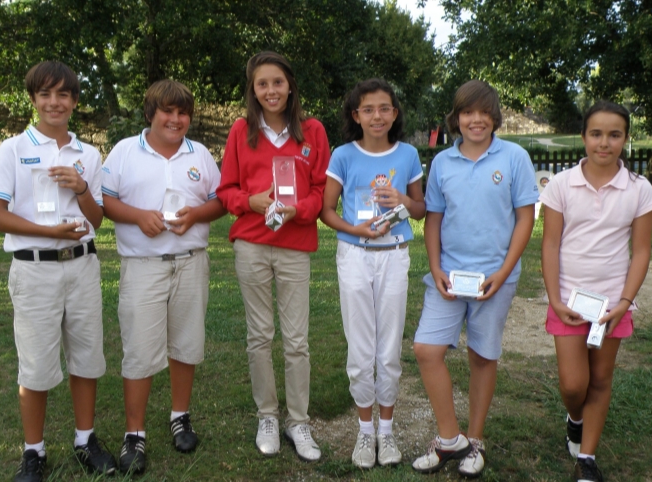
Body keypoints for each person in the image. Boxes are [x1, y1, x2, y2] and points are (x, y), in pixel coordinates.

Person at [0, 60, 116, 482]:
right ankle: (33, 452)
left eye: (63, 95)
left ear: (75, 101)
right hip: (34, 270)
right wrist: (45, 230)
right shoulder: (13, 149)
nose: (54, 102)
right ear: (34, 99)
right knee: (36, 365)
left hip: (81, 266)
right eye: (45, 94)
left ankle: (85, 440)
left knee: (87, 358)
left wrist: (81, 188)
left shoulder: (88, 154)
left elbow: (97, 219)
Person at [411, 80, 539, 477]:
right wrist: (435, 267)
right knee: (426, 350)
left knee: (482, 356)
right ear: (457, 117)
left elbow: (525, 218)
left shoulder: (514, 157)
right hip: (447, 277)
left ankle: (476, 441)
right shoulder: (443, 163)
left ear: (495, 117)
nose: (476, 120)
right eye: (468, 112)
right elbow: (433, 218)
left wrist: (502, 273)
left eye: (484, 112)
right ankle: (451, 440)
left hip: (494, 279)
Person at [102, 79, 226, 474]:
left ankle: (179, 416)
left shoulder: (201, 154)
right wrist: (138, 216)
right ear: (151, 114)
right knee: (139, 350)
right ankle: (134, 435)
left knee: (185, 344)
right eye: (167, 111)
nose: (175, 119)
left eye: (182, 112)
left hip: (190, 261)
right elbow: (105, 200)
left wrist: (195, 215)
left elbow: (221, 200)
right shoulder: (124, 151)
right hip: (143, 265)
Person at [216, 51, 329, 462]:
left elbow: (321, 191)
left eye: (277, 82)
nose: (270, 91)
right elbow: (226, 191)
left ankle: (297, 420)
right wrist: (252, 201)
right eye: (262, 84)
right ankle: (267, 415)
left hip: (294, 246)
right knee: (260, 335)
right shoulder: (241, 131)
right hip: (252, 244)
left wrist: (301, 209)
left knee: (297, 340)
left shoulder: (312, 131)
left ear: (291, 85)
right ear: (253, 90)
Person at [540, 101, 652, 482]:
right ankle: (574, 417)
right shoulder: (561, 184)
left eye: (614, 134)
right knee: (574, 385)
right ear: (583, 138)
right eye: (596, 134)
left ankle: (587, 459)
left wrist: (624, 303)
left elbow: (641, 250)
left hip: (612, 305)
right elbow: (550, 245)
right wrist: (556, 301)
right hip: (568, 303)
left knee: (601, 379)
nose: (604, 143)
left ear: (625, 139)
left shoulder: (639, 189)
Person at [320, 78, 425, 468]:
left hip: (394, 254)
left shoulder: (409, 153)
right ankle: (365, 433)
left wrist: (402, 200)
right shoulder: (343, 155)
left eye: (384, 108)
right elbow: (327, 210)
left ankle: (387, 430)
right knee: (361, 347)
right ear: (356, 115)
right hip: (355, 254)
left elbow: (420, 208)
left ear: (394, 113)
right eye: (368, 109)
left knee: (389, 347)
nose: (377, 116)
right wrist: (356, 229)